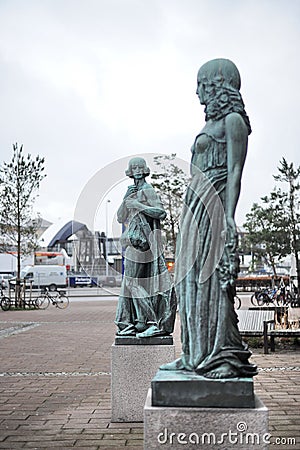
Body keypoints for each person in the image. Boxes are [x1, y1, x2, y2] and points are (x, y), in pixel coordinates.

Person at [161, 59, 257, 378]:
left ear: (218, 85)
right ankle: (192, 354)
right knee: (187, 282)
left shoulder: (233, 121)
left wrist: (228, 216)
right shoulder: (208, 125)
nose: (198, 91)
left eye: (202, 84)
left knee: (212, 280)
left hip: (214, 205)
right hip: (194, 207)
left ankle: (222, 357)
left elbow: (235, 171)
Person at [115, 157, 176, 337]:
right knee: (129, 283)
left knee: (133, 282)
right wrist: (127, 199)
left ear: (145, 169)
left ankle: (149, 321)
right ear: (130, 171)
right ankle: (131, 323)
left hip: (143, 244)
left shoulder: (148, 189)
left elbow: (161, 212)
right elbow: (120, 217)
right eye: (134, 167)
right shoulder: (131, 191)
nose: (137, 169)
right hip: (132, 243)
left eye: (140, 166)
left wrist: (138, 206)